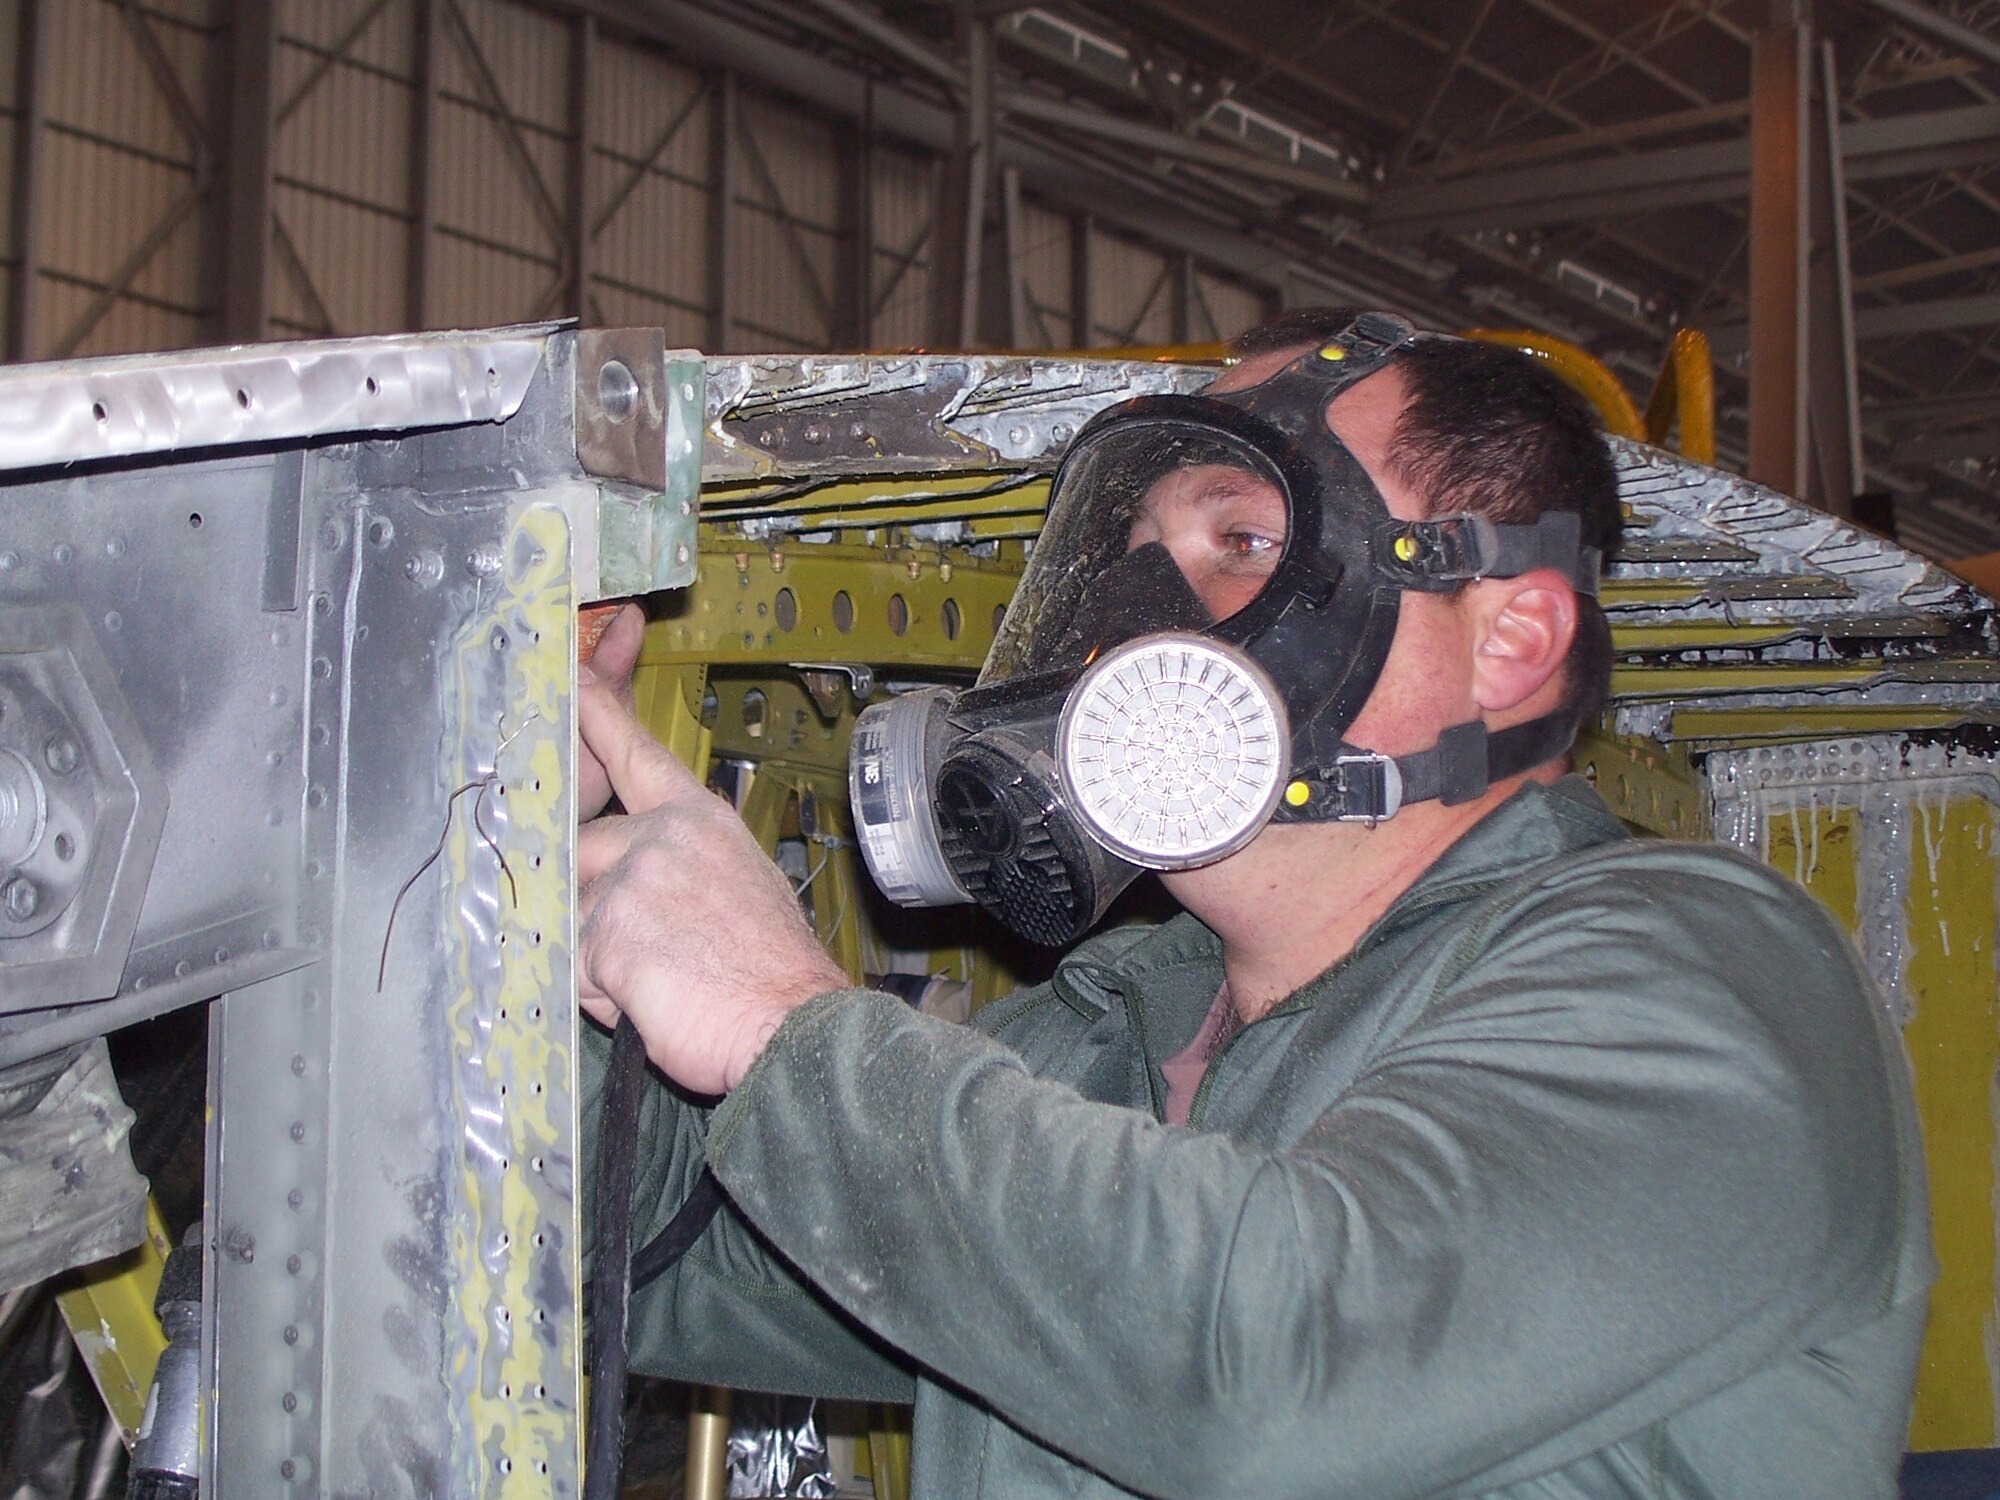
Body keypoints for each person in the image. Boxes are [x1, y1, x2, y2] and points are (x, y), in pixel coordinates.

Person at [573, 310, 1932, 1499]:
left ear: (1507, 642)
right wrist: (556, 844)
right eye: (1128, 555)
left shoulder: (1704, 974)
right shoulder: (1106, 1036)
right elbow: (664, 1260)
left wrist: (782, 1020)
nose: (1139, 618)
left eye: (1242, 538)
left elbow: (1274, 1363)